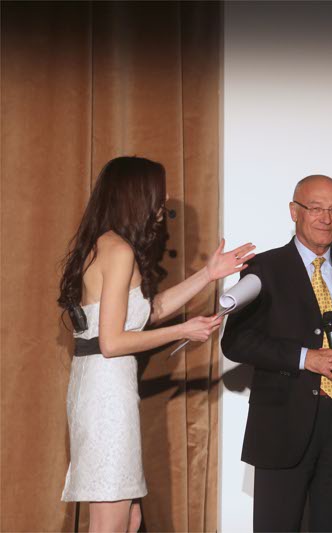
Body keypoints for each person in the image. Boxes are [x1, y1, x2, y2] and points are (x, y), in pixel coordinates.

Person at [57, 156, 253, 532]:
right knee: (112, 522)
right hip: (106, 395)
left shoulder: (106, 244)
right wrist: (183, 331)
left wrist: (208, 274)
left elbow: (145, 312)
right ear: (136, 194)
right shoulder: (119, 251)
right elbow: (112, 342)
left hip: (101, 387)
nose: (162, 203)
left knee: (129, 517)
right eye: (157, 193)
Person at [220, 174, 332, 532]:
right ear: (294, 211)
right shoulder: (263, 268)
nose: (326, 219)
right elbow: (235, 342)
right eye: (316, 208)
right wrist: (304, 357)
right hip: (282, 425)